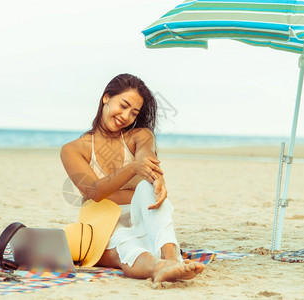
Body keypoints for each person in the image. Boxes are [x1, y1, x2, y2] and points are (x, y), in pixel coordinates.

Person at [60, 73, 204, 282]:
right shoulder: (73, 149)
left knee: (147, 187)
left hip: (144, 217)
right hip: (103, 222)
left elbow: (147, 155)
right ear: (106, 98)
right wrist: (134, 168)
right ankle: (158, 267)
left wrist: (155, 177)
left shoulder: (140, 135)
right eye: (124, 105)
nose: (126, 116)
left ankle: (171, 258)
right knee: (126, 244)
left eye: (134, 112)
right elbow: (93, 191)